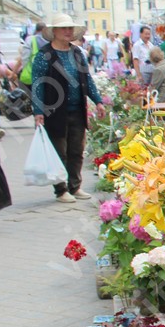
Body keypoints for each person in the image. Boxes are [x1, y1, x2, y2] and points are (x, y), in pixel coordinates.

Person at [32, 13, 103, 204]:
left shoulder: (77, 52)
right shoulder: (44, 54)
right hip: (54, 110)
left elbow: (87, 79)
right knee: (59, 150)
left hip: (77, 108)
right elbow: (38, 84)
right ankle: (61, 189)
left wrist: (98, 100)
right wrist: (38, 111)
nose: (68, 31)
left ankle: (75, 186)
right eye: (63, 28)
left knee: (76, 150)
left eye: (70, 28)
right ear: (54, 31)